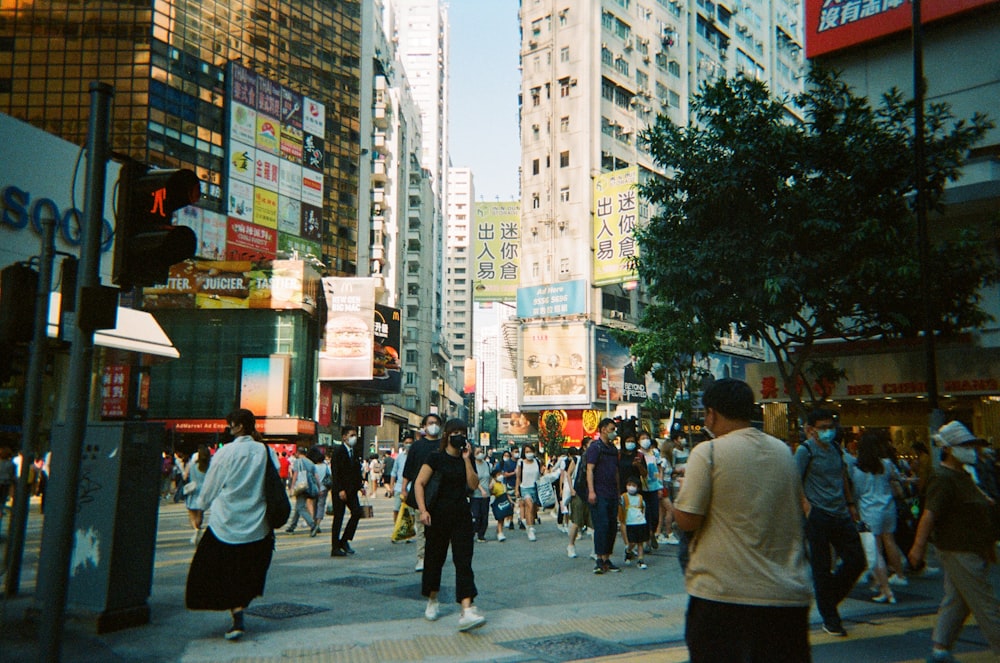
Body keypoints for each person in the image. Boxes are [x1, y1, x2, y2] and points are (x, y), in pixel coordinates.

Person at [673, 378, 812, 662]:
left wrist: (671, 501)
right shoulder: (783, 451)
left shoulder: (708, 452)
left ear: (712, 413)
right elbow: (802, 507)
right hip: (787, 599)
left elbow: (688, 520)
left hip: (724, 598)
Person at [908, 421, 1000, 662]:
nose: (971, 450)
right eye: (965, 445)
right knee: (986, 604)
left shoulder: (965, 475)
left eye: (972, 445)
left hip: (972, 548)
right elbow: (929, 515)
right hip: (958, 550)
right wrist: (917, 548)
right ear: (948, 448)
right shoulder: (943, 477)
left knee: (957, 601)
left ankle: (940, 649)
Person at [185, 409, 277, 640]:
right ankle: (239, 611)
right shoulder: (265, 451)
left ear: (237, 426)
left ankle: (236, 615)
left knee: (216, 569)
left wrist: (200, 507)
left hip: (225, 522)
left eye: (230, 424)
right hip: (257, 523)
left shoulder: (226, 453)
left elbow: (211, 486)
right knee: (246, 571)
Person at [795, 408, 866, 637]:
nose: (828, 431)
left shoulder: (836, 448)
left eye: (830, 426)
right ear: (810, 429)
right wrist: (807, 508)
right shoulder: (805, 451)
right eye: (822, 427)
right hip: (818, 516)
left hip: (841, 513)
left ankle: (828, 599)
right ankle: (831, 618)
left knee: (857, 560)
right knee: (822, 568)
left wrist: (850, 504)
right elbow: (793, 481)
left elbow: (842, 476)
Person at [413, 418, 486, 631]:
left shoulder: (467, 458)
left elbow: (473, 485)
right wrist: (423, 510)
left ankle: (467, 608)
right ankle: (432, 599)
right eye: (455, 432)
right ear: (447, 434)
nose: (459, 436)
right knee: (435, 559)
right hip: (437, 515)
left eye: (462, 432)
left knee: (463, 560)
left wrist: (466, 460)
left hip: (461, 515)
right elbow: (420, 483)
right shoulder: (435, 457)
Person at [849, 431, 905, 604]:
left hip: (869, 510)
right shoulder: (886, 464)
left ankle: (885, 588)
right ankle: (899, 574)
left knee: (875, 551)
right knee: (890, 541)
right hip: (888, 507)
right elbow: (895, 479)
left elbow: (857, 492)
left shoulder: (858, 470)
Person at [402, 413, 443, 571]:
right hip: (420, 492)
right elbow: (409, 468)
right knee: (421, 527)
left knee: (437, 528)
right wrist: (404, 488)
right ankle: (421, 557)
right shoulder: (417, 446)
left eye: (436, 423)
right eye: (430, 423)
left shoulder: (443, 445)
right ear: (424, 427)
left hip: (439, 492)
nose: (434, 426)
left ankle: (433, 557)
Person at [587, 418, 622, 574]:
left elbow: (615, 472)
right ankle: (599, 559)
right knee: (602, 526)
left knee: (612, 527)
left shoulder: (613, 449)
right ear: (602, 429)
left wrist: (618, 491)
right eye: (611, 429)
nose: (613, 432)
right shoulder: (595, 448)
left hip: (612, 493)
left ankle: (607, 558)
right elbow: (589, 470)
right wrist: (591, 491)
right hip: (599, 493)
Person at [329, 425, 365, 556]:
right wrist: (340, 489)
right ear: (344, 437)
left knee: (357, 512)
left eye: (355, 435)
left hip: (352, 490)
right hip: (341, 490)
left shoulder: (354, 452)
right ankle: (335, 547)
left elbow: (356, 471)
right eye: (351, 435)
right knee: (338, 517)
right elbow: (336, 472)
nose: (354, 438)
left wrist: (360, 486)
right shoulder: (338, 451)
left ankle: (344, 540)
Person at [565, 440, 593, 559]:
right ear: (585, 446)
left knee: (593, 524)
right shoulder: (577, 459)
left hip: (591, 493)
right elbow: (568, 474)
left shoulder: (595, 459)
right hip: (579, 493)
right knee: (577, 522)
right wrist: (571, 489)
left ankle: (595, 550)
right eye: (591, 444)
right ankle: (571, 545)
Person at [636, 430, 662, 552]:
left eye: (647, 437)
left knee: (655, 514)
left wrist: (660, 485)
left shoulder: (655, 453)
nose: (645, 440)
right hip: (643, 488)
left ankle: (653, 532)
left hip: (654, 487)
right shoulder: (638, 455)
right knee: (646, 514)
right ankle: (648, 539)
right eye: (642, 438)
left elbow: (659, 468)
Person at [284, 447, 318, 536]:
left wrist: (292, 487)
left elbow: (295, 474)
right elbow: (316, 476)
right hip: (309, 487)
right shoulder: (310, 462)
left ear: (298, 453)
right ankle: (292, 527)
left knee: (300, 508)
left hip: (301, 486)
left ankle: (312, 525)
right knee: (299, 506)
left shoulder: (298, 462)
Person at [514, 443, 544, 541]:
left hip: (535, 488)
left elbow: (540, 475)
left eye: (530, 451)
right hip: (525, 487)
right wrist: (516, 489)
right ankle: (530, 528)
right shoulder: (521, 462)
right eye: (527, 452)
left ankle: (529, 524)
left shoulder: (537, 462)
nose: (529, 453)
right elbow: (518, 477)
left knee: (533, 509)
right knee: (529, 506)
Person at [619, 477, 649, 569]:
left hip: (640, 521)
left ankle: (640, 560)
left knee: (640, 542)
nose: (631, 487)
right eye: (629, 485)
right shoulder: (623, 497)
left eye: (633, 485)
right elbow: (620, 508)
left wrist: (643, 516)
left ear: (638, 487)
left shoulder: (640, 497)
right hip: (630, 522)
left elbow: (643, 507)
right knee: (632, 542)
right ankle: (628, 550)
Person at [184, 445, 211, 544]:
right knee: (200, 512)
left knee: (191, 511)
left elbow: (185, 476)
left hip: (193, 489)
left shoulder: (193, 466)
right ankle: (198, 528)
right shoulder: (210, 466)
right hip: (204, 490)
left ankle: (195, 529)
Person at [470, 445, 492, 542]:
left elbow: (490, 477)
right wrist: (481, 489)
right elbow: (473, 479)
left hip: (486, 494)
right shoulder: (472, 465)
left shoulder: (487, 464)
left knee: (484, 515)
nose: (480, 454)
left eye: (481, 451)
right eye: (477, 452)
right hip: (476, 494)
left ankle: (481, 534)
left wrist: (491, 484)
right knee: (476, 515)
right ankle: (472, 531)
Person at [390, 433, 412, 526]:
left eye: (410, 443)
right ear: (403, 444)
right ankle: (396, 529)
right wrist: (391, 487)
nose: (408, 444)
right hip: (399, 487)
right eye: (406, 442)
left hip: (411, 488)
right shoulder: (399, 457)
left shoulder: (416, 456)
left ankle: (409, 532)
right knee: (396, 509)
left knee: (411, 512)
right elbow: (394, 472)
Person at [488, 467, 511, 541]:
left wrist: (511, 501)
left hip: (503, 502)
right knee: (500, 519)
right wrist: (492, 483)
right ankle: (500, 533)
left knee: (502, 518)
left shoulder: (503, 484)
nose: (500, 476)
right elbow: (491, 491)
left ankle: (499, 531)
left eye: (501, 474)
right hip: (497, 503)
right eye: (498, 475)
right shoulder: (493, 484)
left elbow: (506, 493)